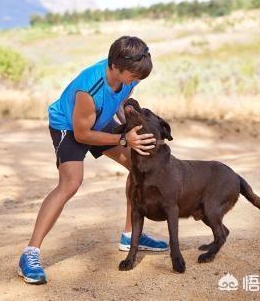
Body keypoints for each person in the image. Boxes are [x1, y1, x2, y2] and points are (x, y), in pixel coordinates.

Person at [18, 36, 168, 285]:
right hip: (69, 127)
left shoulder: (129, 74)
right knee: (71, 183)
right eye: (133, 76)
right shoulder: (90, 90)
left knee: (137, 165)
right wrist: (123, 140)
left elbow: (118, 101)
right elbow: (82, 135)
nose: (136, 81)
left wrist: (127, 122)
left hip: (97, 120)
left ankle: (130, 235)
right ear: (115, 67)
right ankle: (30, 254)